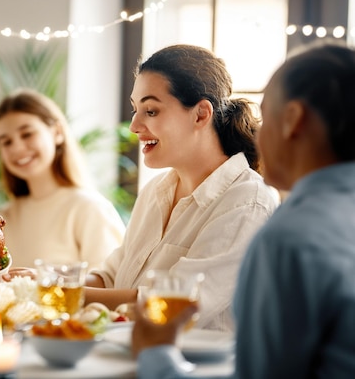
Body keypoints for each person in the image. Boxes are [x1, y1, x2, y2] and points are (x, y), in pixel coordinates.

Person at [132, 41, 355, 379]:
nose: (255, 133)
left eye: (266, 114)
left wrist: (156, 352)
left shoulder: (291, 236)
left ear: (293, 119)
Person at [85, 44, 280, 331]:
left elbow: (174, 305)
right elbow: (112, 277)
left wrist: (63, 295)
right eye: (135, 109)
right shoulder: (155, 192)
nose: (134, 125)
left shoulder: (247, 201)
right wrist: (37, 283)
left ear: (201, 114)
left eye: (150, 111)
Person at [0, 88, 126, 270]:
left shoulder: (88, 208)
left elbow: (112, 284)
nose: (17, 148)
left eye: (27, 134)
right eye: (6, 142)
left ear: (57, 132)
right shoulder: (3, 218)